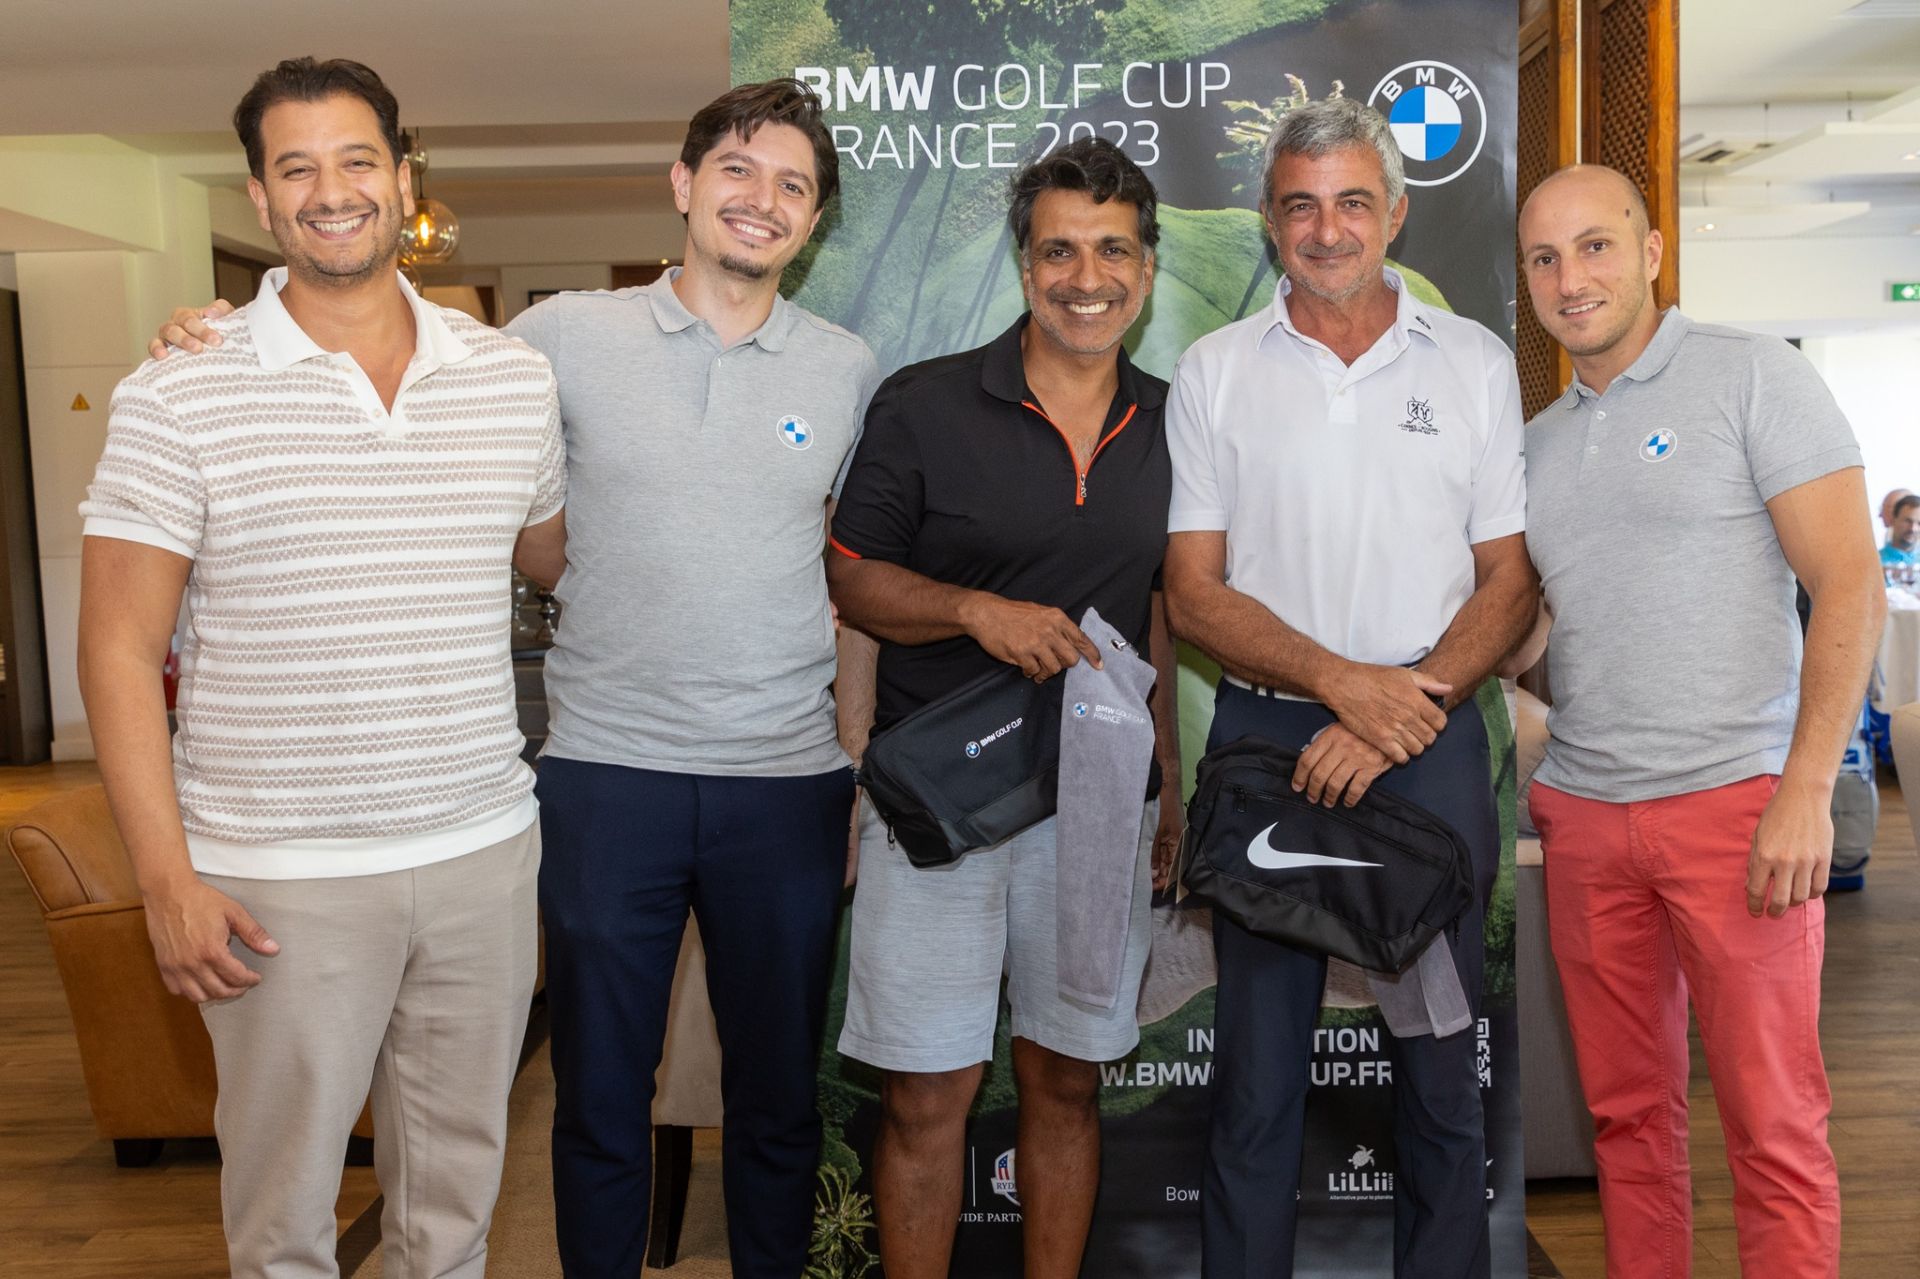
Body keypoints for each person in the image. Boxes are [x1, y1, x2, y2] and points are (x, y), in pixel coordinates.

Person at [152, 78, 880, 1279]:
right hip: (604, 778)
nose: (762, 199)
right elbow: (386, 324)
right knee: (598, 1098)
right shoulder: (557, 338)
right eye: (738, 170)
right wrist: (221, 324)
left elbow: (854, 582)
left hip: (786, 783)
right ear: (684, 183)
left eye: (792, 184)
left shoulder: (848, 371)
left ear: (814, 218)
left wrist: (850, 759)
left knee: (777, 1102)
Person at [84, 58, 565, 1278]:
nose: (331, 190)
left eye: (357, 160)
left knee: (454, 1213)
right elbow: (118, 651)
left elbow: (557, 556)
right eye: (295, 168)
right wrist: (165, 881)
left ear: (404, 178)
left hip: (481, 854)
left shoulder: (512, 378)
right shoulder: (179, 389)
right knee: (284, 1224)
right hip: (278, 879)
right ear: (259, 197)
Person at [1160, 98, 1535, 1278]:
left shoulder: (1474, 362)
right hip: (1270, 751)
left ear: (1397, 212)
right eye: (1302, 206)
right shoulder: (1214, 371)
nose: (1328, 230)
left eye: (1353, 202)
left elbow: (1510, 581)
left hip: (1430, 746)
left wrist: (1398, 706)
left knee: (1439, 1070)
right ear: (1270, 220)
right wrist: (1344, 687)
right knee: (1255, 1083)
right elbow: (1193, 593)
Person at [1511, 162, 1882, 1277]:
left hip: (1738, 808)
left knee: (1774, 1127)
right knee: (1627, 1124)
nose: (1572, 278)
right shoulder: (1537, 442)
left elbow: (1850, 584)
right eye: (1544, 258)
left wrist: (1806, 789)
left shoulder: (1751, 374)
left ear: (1652, 251)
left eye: (1596, 245)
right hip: (1586, 817)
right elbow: (1535, 633)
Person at [826, 138, 1183, 1279]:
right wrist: (976, 611)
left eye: (1114, 250)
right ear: (1026, 267)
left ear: (1147, 268)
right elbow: (853, 579)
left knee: (1066, 1079)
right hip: (939, 807)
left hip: (1100, 805)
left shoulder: (1177, 421)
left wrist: (1168, 787)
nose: (1088, 278)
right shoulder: (925, 403)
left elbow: (1165, 614)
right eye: (1060, 251)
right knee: (927, 1092)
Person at [1878, 493, 1918, 571]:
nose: (1913, 529)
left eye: (1919, 523)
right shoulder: (1876, 561)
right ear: (1893, 519)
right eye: (1908, 521)